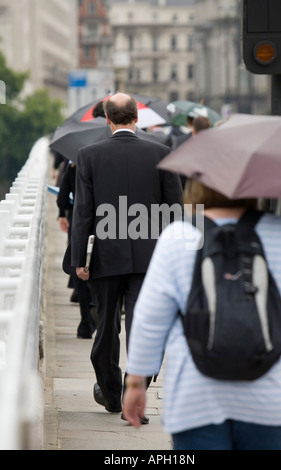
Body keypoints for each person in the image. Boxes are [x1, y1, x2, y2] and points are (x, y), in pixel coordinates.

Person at [123, 180, 281, 450]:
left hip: (195, 396)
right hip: (270, 394)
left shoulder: (177, 236)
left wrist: (136, 382)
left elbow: (150, 319)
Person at [70, 92, 183, 420]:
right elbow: (173, 212)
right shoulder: (162, 153)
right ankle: (136, 395)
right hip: (151, 260)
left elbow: (83, 212)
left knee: (106, 326)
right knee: (146, 327)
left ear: (107, 119)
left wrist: (80, 259)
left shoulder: (88, 155)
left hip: (105, 256)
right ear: (137, 118)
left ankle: (110, 391)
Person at [57, 162, 97, 339]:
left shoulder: (74, 165)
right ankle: (97, 307)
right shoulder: (106, 162)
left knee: (80, 267)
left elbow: (62, 199)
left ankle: (85, 321)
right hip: (106, 222)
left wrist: (61, 213)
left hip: (79, 222)